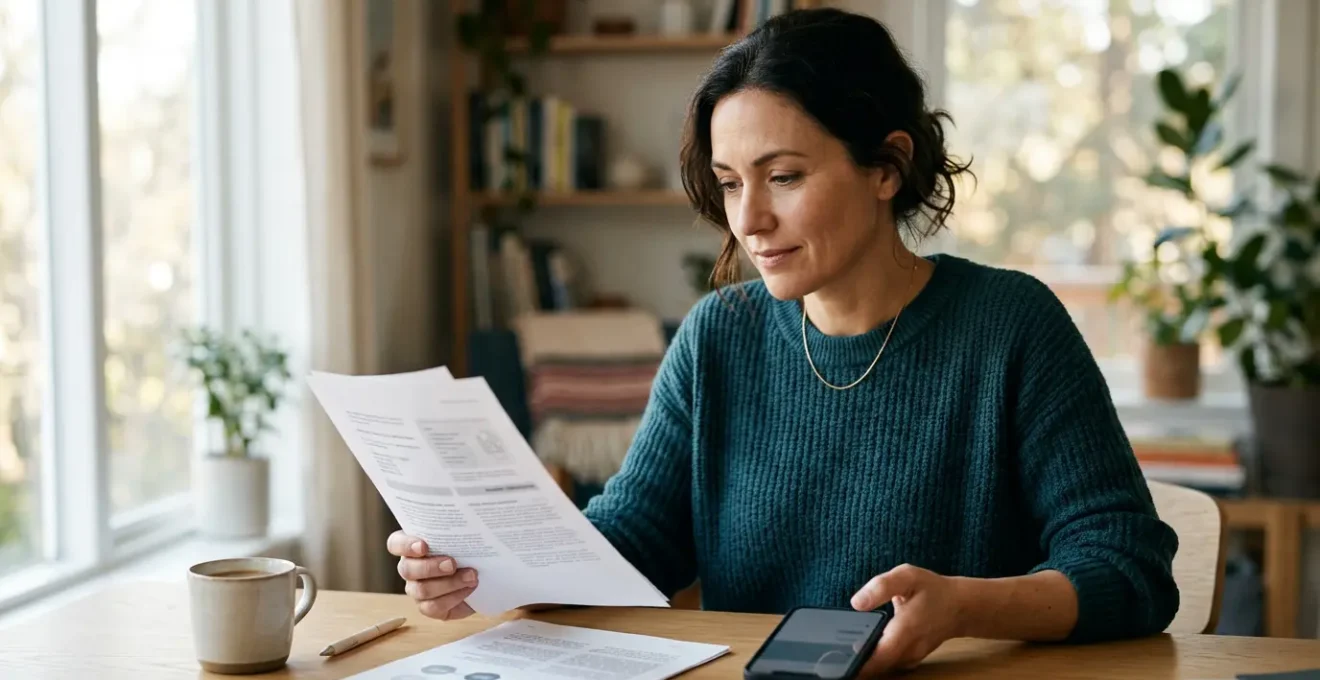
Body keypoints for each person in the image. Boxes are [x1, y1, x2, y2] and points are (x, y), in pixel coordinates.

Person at [389, 7, 1179, 675]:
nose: (749, 220)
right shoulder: (718, 337)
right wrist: (482, 564)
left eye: (785, 177)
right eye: (731, 182)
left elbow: (1127, 565)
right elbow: (635, 541)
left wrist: (965, 605)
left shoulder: (1011, 326)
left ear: (887, 166)